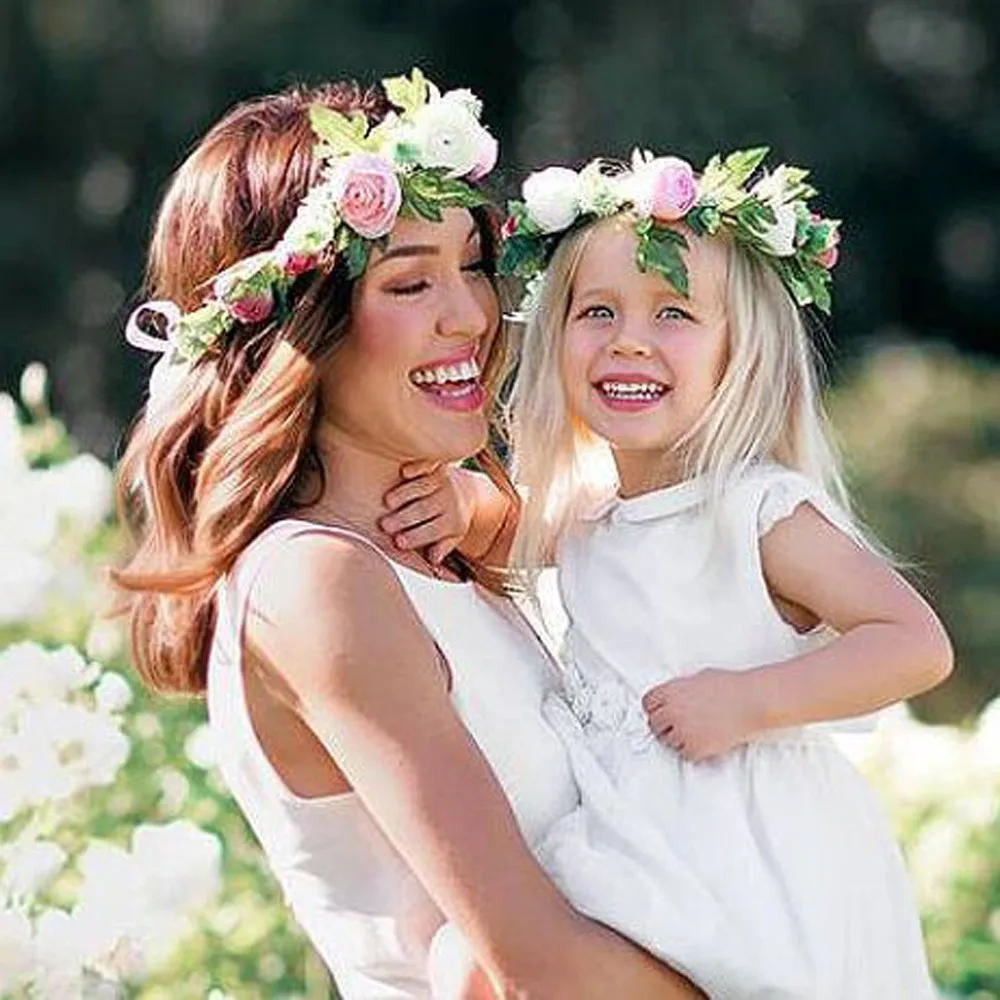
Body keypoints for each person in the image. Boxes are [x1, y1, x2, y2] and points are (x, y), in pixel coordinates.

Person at [111, 72, 705, 1000]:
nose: (470, 314)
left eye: (472, 265)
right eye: (410, 281)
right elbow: (537, 970)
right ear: (300, 327)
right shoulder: (317, 583)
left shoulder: (427, 554)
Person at [383, 148, 954, 997]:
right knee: (474, 956)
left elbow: (914, 643)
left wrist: (751, 701)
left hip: (750, 856)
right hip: (635, 838)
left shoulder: (755, 512)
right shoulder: (591, 511)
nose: (628, 341)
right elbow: (514, 528)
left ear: (740, 353)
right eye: (598, 311)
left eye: (674, 313)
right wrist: (461, 504)